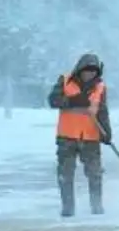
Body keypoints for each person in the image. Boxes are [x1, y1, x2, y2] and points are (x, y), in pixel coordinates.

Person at [47, 53, 112, 217]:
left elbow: (102, 111)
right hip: (67, 136)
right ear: (80, 69)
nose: (89, 74)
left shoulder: (100, 87)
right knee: (65, 174)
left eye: (93, 71)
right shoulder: (65, 80)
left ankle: (97, 208)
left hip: (91, 137)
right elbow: (53, 100)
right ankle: (68, 209)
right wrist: (73, 101)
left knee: (95, 174)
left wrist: (106, 132)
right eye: (86, 70)